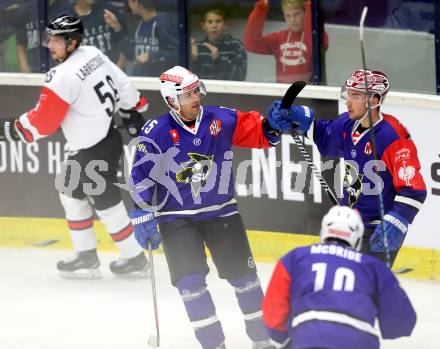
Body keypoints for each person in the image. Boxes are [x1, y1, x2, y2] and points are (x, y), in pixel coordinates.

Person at [128, 66, 311, 349]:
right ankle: (213, 345)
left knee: (246, 281)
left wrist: (273, 125)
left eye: (195, 90)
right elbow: (140, 177)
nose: (194, 97)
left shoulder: (220, 118)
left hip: (222, 213)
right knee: (191, 286)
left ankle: (263, 340)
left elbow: (261, 133)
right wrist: (141, 214)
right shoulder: (156, 132)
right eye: (186, 94)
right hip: (176, 220)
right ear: (170, 101)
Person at [0, 15, 149, 278]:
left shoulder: (62, 76)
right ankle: (88, 255)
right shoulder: (92, 53)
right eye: (49, 39)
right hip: (105, 140)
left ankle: (133, 256)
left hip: (93, 149)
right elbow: (122, 81)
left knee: (106, 203)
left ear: (72, 42)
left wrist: (4, 130)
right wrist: (135, 109)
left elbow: (41, 124)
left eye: (56, 40)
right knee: (71, 193)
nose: (49, 45)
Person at [269, 69, 427, 266]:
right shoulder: (347, 123)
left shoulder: (393, 136)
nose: (348, 101)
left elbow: (414, 189)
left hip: (378, 229)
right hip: (348, 223)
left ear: (374, 99)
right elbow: (324, 136)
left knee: (363, 289)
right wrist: (295, 117)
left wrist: (399, 218)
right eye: (349, 94)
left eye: (356, 96)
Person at [262, 205, 417, 349]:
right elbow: (402, 323)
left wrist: (283, 341)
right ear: (357, 237)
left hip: (308, 339)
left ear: (323, 231)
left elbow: (273, 310)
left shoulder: (295, 258)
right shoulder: (374, 267)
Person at [243, 0, 328, 83]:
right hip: (283, 94)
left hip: (308, 94)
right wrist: (261, 8)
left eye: (297, 14)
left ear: (306, 12)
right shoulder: (279, 38)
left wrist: (310, 6)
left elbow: (313, 50)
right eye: (288, 15)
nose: (292, 20)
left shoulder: (320, 36)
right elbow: (251, 44)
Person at [60, 0, 129, 68]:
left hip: (114, 71)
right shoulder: (65, 18)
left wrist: (117, 69)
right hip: (83, 75)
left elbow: (125, 41)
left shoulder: (107, 9)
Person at [123, 0, 179, 77]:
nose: (128, 4)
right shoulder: (141, 22)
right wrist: (118, 29)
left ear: (136, 2)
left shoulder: (163, 22)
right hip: (140, 78)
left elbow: (177, 53)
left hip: (157, 82)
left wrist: (151, 55)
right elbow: (130, 54)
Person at [191, 6, 247, 80]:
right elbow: (192, 81)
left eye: (218, 21)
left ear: (225, 24)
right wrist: (194, 60)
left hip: (228, 90)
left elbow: (240, 76)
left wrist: (219, 59)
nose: (214, 26)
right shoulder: (197, 47)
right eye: (210, 22)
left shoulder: (235, 45)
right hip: (204, 90)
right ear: (203, 26)